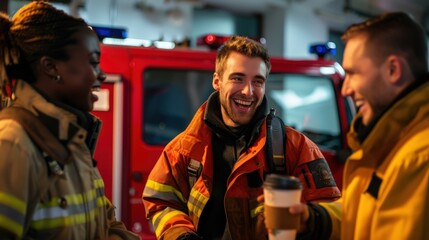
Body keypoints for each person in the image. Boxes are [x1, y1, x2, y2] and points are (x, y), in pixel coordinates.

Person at [142, 35, 341, 240]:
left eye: (258, 81)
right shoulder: (183, 149)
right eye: (238, 78)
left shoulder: (296, 147)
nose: (248, 91)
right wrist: (180, 235)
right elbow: (161, 202)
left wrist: (305, 223)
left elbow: (328, 214)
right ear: (217, 81)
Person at [0, 1, 139, 239]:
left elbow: (105, 227)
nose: (102, 74)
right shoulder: (13, 144)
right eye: (93, 62)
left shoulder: (71, 144)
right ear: (51, 67)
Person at [291, 12, 429, 239]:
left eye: (353, 73)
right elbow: (361, 213)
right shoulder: (389, 142)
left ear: (393, 70)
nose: (346, 89)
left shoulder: (418, 158)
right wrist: (313, 218)